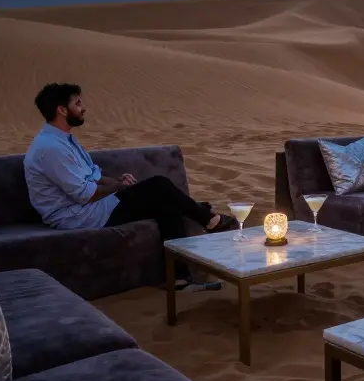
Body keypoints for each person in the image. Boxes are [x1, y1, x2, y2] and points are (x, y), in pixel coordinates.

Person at [23, 83, 236, 287]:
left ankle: (179, 278)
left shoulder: (64, 140)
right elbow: (85, 194)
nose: (83, 108)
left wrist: (119, 184)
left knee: (166, 203)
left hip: (91, 206)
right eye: (78, 104)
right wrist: (119, 188)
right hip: (77, 216)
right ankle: (210, 220)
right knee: (160, 186)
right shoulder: (50, 148)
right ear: (61, 110)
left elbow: (94, 177)